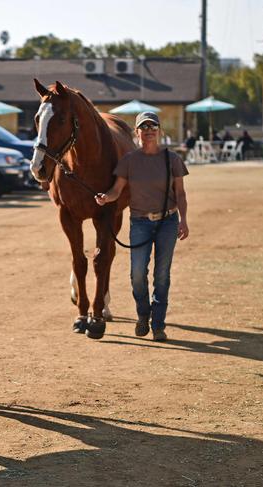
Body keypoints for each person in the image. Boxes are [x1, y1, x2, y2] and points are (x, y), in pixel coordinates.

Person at [95, 112, 189, 342]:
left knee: (162, 275)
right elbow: (117, 190)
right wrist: (106, 198)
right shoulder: (129, 161)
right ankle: (142, 314)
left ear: (159, 131)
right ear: (136, 132)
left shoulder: (172, 159)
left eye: (153, 126)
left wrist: (184, 219)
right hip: (140, 222)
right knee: (137, 274)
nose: (148, 130)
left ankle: (158, 325)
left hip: (167, 221)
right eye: (143, 127)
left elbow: (181, 193)